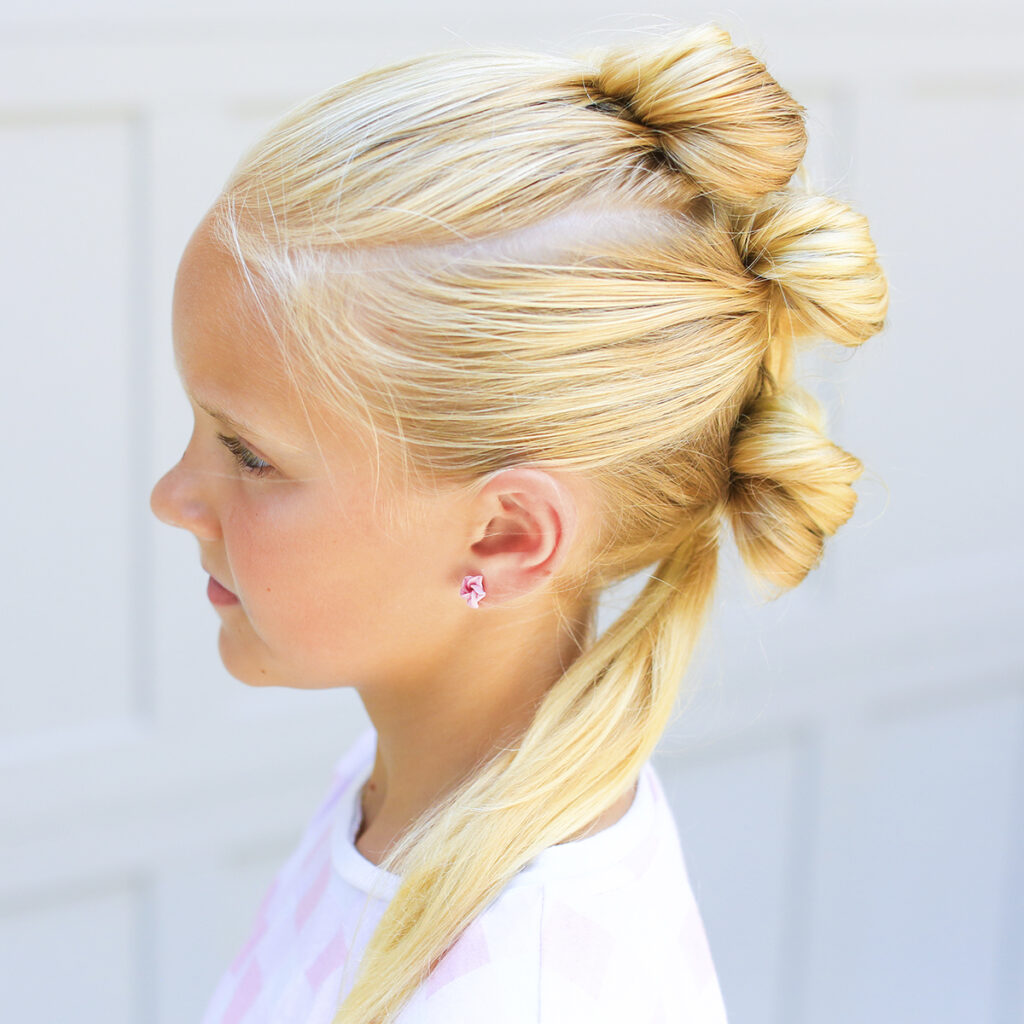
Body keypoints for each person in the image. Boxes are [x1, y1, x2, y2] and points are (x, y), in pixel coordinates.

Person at [149, 22, 888, 1024]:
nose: (172, 497)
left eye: (249, 454)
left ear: (503, 537)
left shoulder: (527, 988)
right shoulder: (407, 797)